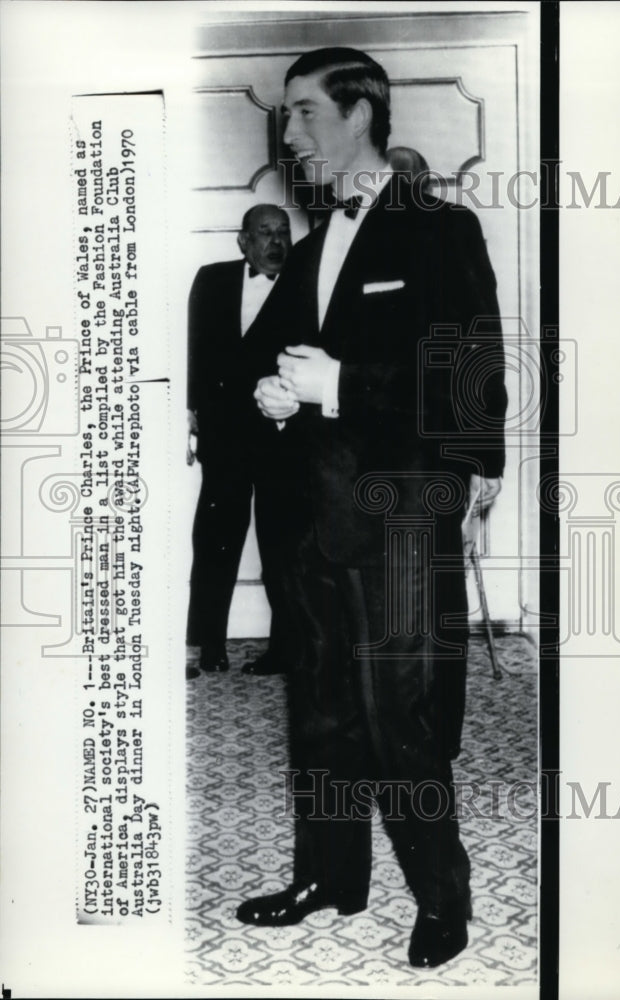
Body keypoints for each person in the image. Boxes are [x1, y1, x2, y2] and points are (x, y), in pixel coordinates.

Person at [236, 48, 507, 969]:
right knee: (318, 709)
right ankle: (329, 877)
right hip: (310, 519)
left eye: (306, 112)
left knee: (401, 716)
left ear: (360, 113)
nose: (291, 132)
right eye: (287, 115)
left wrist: (343, 383)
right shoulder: (310, 249)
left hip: (398, 513)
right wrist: (273, 395)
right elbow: (263, 365)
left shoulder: (439, 231)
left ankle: (443, 899)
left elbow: (473, 386)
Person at [186, 204, 293, 680]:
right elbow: (193, 351)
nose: (276, 242)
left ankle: (285, 650)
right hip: (224, 439)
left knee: (281, 548)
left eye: (283, 232)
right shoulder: (210, 280)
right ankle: (208, 644)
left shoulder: (303, 284)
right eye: (265, 233)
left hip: (279, 443)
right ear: (243, 241)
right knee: (214, 544)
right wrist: (189, 412)